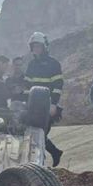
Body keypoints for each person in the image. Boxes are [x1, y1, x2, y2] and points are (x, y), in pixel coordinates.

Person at [24, 32, 64, 167]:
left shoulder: (53, 64)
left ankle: (40, 164)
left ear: (44, 46)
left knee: (41, 134)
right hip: (33, 106)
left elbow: (58, 86)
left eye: (38, 46)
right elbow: (27, 86)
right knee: (35, 134)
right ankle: (54, 153)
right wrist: (25, 103)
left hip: (47, 106)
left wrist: (53, 104)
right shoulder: (31, 65)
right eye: (34, 46)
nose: (36, 49)